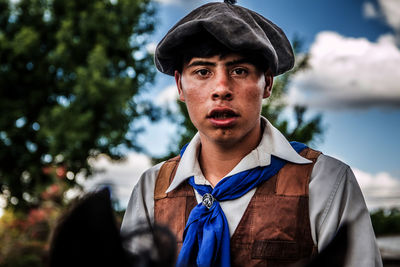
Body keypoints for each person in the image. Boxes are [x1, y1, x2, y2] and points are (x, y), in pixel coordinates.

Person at [121, 1, 382, 266]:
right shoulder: (152, 187)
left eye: (239, 70)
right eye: (202, 71)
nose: (221, 88)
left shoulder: (326, 182)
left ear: (267, 83)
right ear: (180, 85)